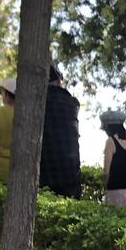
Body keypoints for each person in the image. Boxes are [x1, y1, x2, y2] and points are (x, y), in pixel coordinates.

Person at [40, 63, 82, 198]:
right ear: (58, 80)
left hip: (44, 174)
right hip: (70, 175)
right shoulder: (72, 104)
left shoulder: (38, 103)